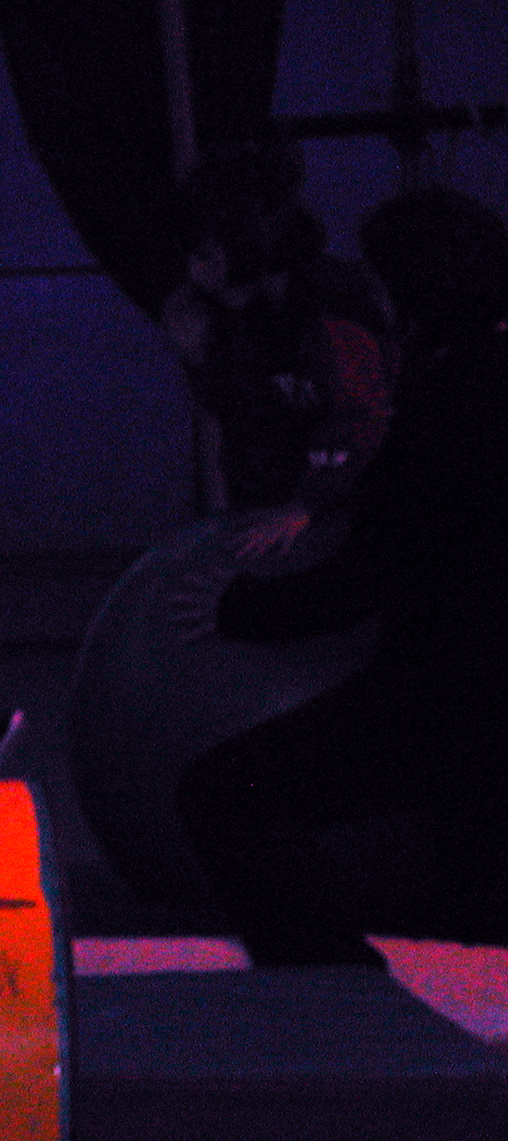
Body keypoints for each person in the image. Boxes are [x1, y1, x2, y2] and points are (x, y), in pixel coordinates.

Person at [175, 186, 508, 966]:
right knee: (475, 887)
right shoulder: (466, 375)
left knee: (225, 796)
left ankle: (330, 983)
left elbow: (377, 569)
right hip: (475, 693)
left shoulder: (451, 395)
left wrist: (240, 606)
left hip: (462, 695)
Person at [158, 139, 394, 558]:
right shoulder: (244, 310)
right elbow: (249, 414)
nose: (194, 268)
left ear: (242, 238)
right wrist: (200, 356)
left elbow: (358, 419)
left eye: (203, 253)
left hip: (345, 517)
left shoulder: (329, 302)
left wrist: (306, 504)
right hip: (280, 512)